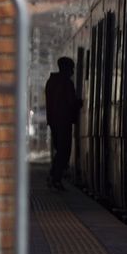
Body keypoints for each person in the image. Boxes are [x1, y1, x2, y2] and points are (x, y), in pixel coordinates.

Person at [44, 57, 80, 191]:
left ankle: (53, 176)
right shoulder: (66, 83)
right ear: (65, 68)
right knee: (64, 151)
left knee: (60, 150)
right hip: (64, 121)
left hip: (53, 121)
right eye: (71, 69)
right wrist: (78, 103)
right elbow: (70, 102)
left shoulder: (51, 82)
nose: (72, 72)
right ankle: (55, 178)